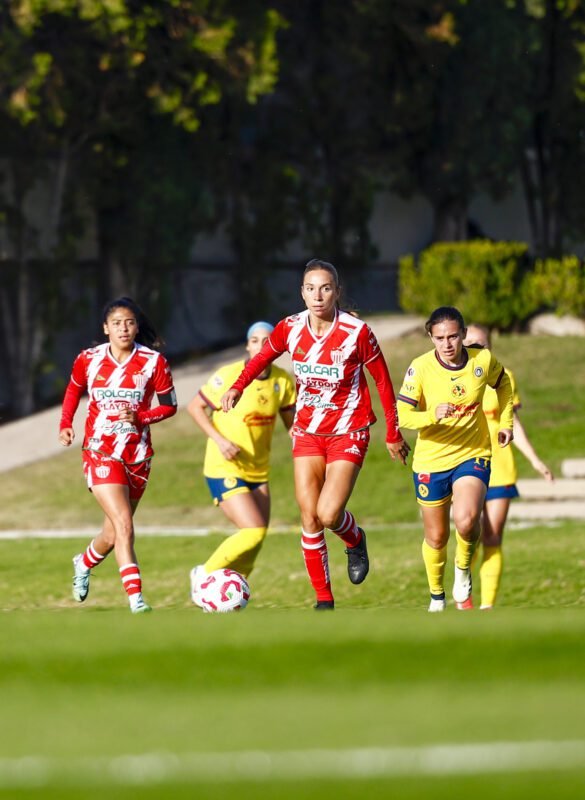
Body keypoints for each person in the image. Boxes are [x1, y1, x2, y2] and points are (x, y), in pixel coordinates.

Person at [218, 259, 410, 610]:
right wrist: (237, 387)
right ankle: (324, 602)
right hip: (307, 432)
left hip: (348, 430)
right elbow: (262, 358)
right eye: (310, 288)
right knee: (308, 517)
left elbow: (382, 381)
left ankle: (354, 539)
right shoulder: (290, 328)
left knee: (328, 514)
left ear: (337, 291)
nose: (317, 295)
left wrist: (393, 433)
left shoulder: (357, 332)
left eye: (325, 288)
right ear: (302, 292)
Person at [58, 296, 177, 613]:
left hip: (137, 456)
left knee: (112, 534)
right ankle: (136, 600)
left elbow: (169, 406)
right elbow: (73, 389)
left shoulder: (153, 362)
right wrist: (66, 424)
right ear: (105, 328)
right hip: (100, 452)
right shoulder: (89, 359)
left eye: (129, 322)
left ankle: (83, 562)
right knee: (124, 524)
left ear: (137, 327)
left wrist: (141, 417)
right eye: (116, 323)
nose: (123, 328)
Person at [397, 306, 514, 612]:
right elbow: (401, 415)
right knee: (436, 537)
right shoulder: (420, 368)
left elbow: (504, 384)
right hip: (431, 461)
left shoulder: (481, 360)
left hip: (472, 454)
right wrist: (430, 415)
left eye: (452, 336)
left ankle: (463, 569)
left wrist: (506, 424)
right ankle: (437, 595)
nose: (447, 344)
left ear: (463, 334)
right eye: (439, 338)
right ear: (430, 337)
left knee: (466, 519)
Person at [186, 321, 296, 605]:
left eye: (268, 340)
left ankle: (232, 601)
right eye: (256, 340)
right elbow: (195, 407)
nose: (261, 345)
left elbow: (292, 427)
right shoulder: (228, 375)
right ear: (248, 345)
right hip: (224, 468)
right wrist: (220, 441)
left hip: (259, 471)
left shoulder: (282, 381)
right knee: (253, 530)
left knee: (255, 541)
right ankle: (204, 575)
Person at [463, 324, 554, 610]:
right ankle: (462, 590)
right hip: (466, 466)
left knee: (492, 535)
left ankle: (487, 605)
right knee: (469, 531)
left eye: (483, 343)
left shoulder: (504, 377)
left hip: (500, 468)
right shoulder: (452, 379)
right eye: (472, 344)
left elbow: (513, 425)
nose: (478, 348)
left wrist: (536, 461)